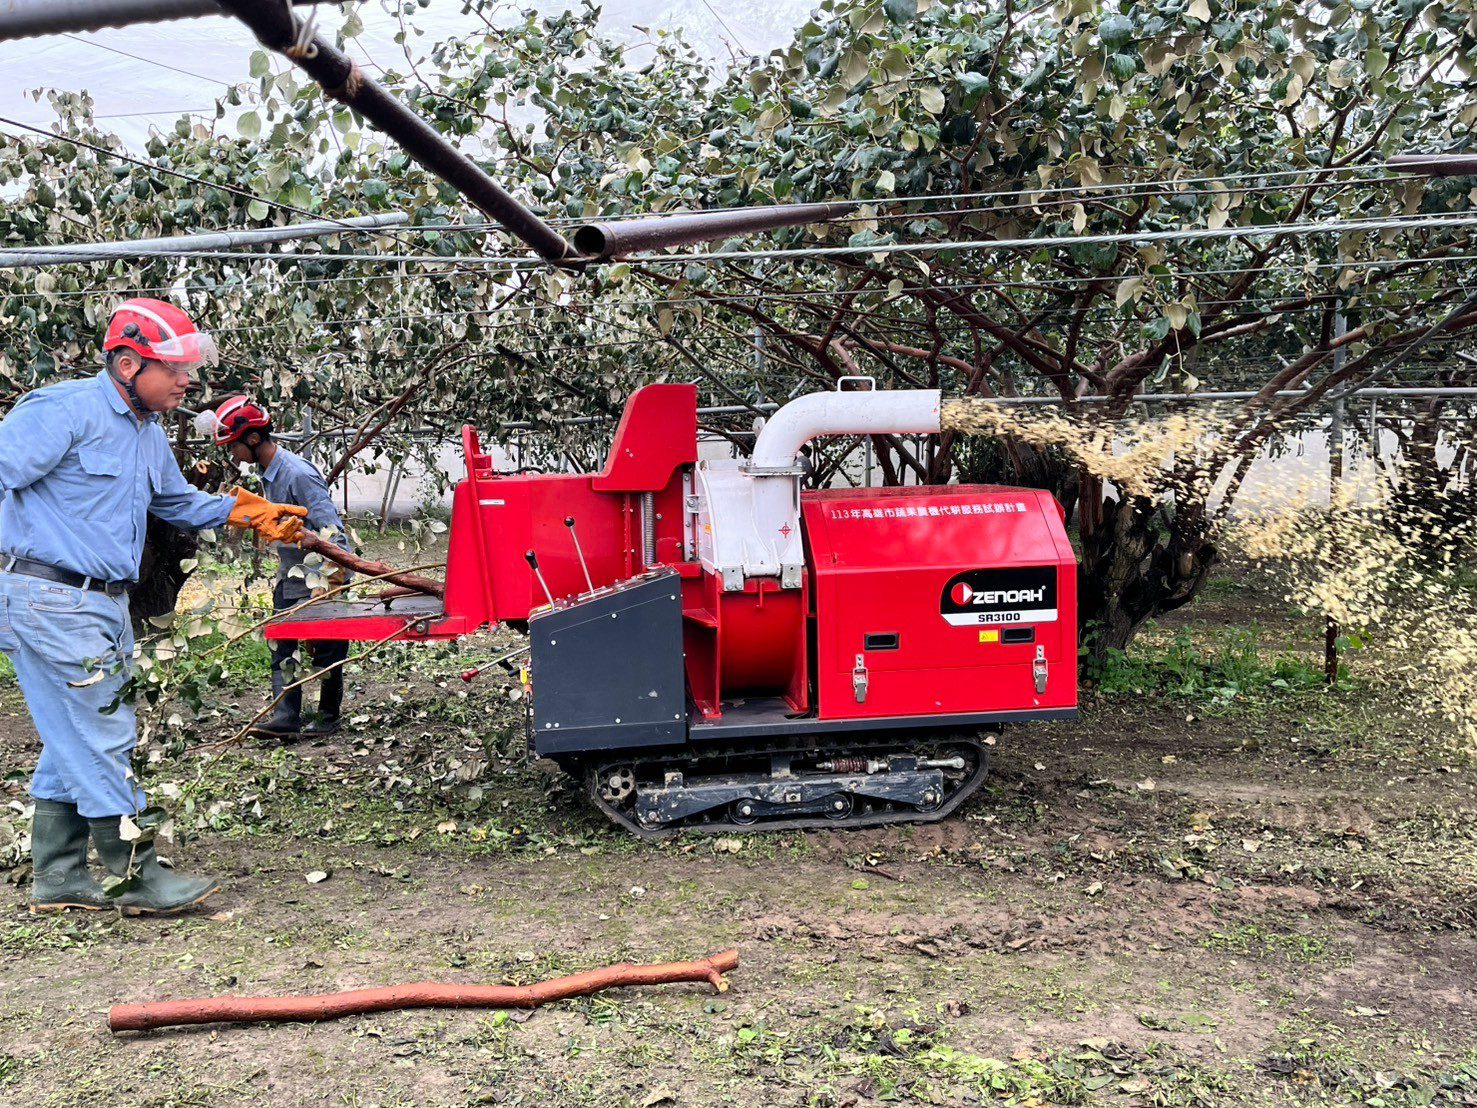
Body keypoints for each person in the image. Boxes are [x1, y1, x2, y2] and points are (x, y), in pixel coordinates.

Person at [0, 298, 309, 916]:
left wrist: (244, 511)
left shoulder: (145, 432)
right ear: (127, 364)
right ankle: (134, 874)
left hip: (105, 602)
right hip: (48, 597)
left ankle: (58, 876)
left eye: (188, 367)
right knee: (104, 731)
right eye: (174, 367)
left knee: (73, 732)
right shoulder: (63, 411)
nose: (187, 379)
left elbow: (174, 501)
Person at [198, 395, 351, 739]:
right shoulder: (268, 473)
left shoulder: (297, 474)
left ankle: (327, 719)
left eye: (234, 446)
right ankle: (285, 718)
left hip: (321, 573)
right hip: (291, 575)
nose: (233, 454)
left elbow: (332, 531)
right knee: (282, 644)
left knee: (327, 650)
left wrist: (329, 583)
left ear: (253, 439)